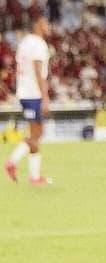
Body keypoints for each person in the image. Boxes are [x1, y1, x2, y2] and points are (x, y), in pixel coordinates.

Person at [6, 13, 53, 184]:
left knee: (37, 133)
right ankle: (12, 162)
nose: (49, 28)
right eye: (45, 24)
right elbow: (38, 72)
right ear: (37, 25)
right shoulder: (38, 44)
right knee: (36, 133)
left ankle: (34, 176)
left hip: (24, 92)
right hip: (33, 94)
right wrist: (45, 97)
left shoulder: (25, 42)